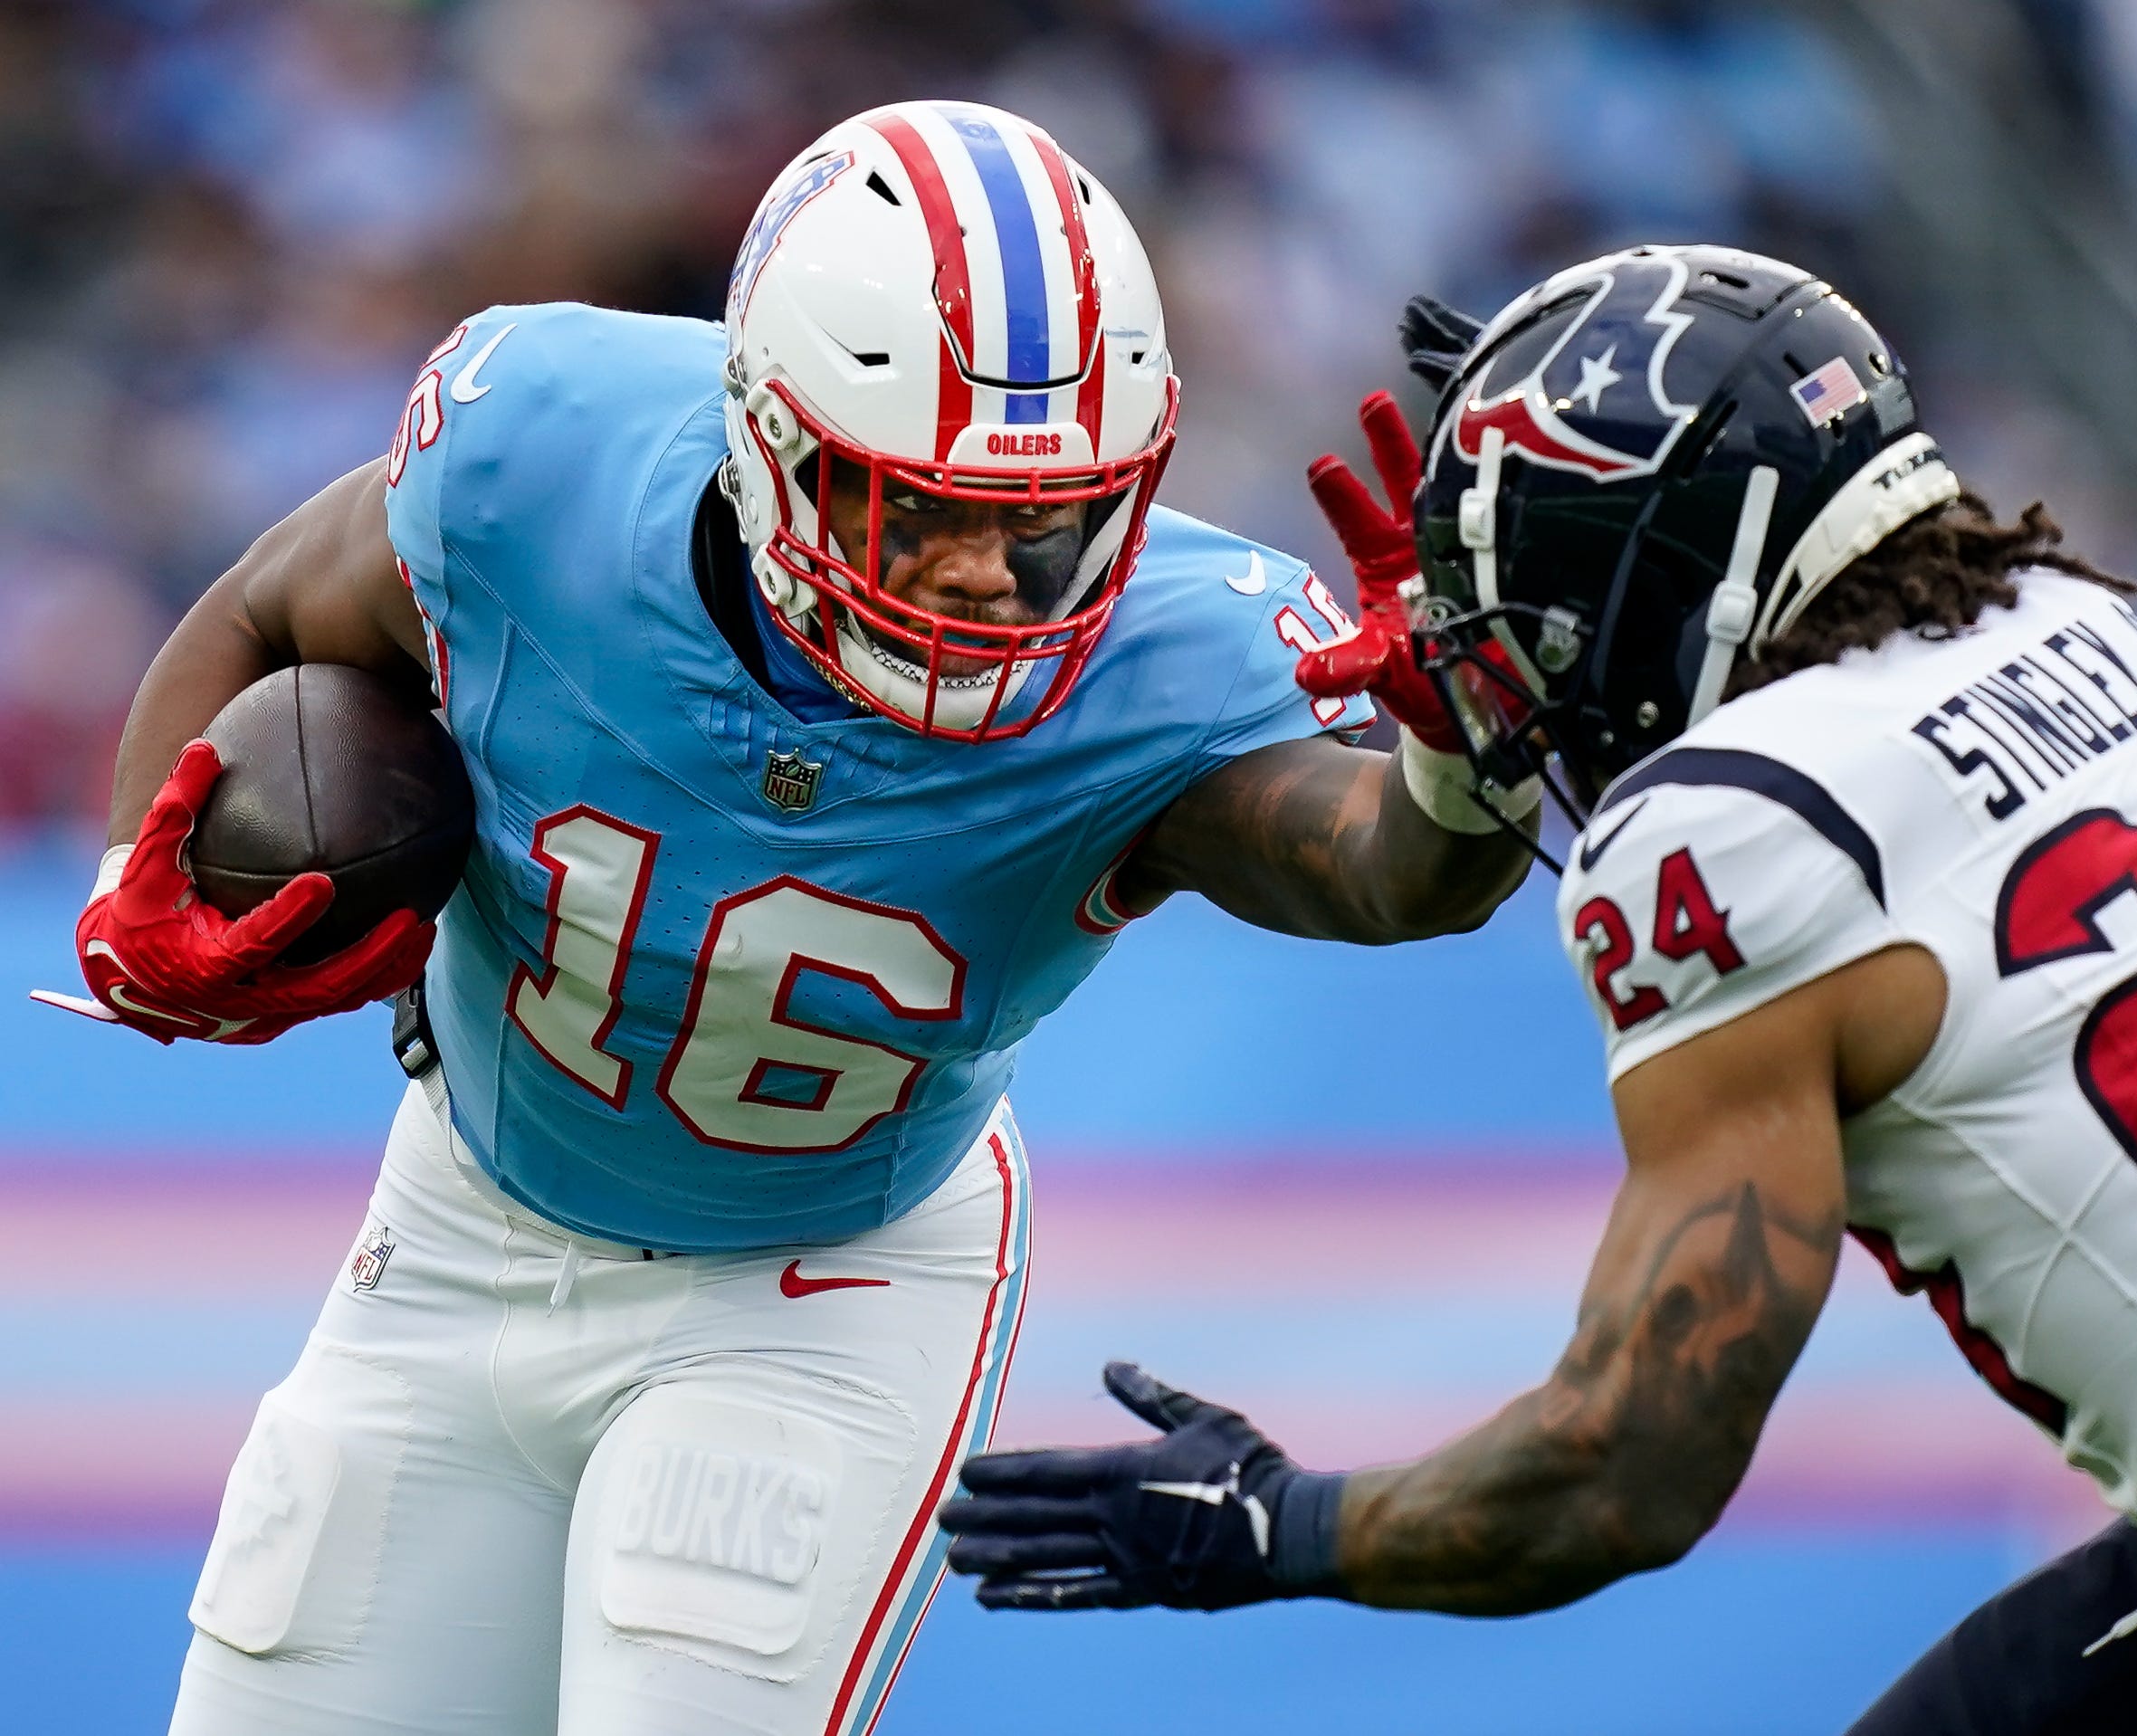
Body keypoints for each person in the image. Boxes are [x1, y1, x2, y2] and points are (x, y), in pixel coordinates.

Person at [936, 244, 2137, 1734]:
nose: (1512, 674)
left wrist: (1277, 1523)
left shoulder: (1728, 836)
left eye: (1535, 621)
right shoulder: (2052, 616)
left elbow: (1625, 1469)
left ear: (1687, 574)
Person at [44, 101, 1534, 1736]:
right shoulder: (543, 455)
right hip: (459, 1226)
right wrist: (140, 884)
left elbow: (1393, 874)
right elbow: (270, 601)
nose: (985, 574)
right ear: (772, 442)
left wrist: (1465, 755)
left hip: (816, 1292)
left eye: (1041, 519)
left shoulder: (1165, 667)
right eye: (925, 509)